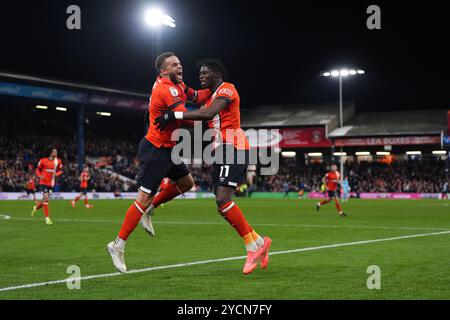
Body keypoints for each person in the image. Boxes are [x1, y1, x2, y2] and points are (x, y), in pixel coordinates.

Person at [154, 58, 272, 275]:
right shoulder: (208, 101)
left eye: (204, 72)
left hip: (234, 147)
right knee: (221, 204)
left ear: (217, 75)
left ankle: (251, 247)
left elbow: (206, 115)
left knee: (223, 199)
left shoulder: (227, 89)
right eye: (199, 73)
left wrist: (173, 114)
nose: (200, 76)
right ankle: (259, 242)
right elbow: (196, 111)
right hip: (221, 151)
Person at [106, 52, 211, 273]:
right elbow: (186, 118)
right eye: (174, 65)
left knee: (186, 183)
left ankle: (150, 211)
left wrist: (217, 89)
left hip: (168, 149)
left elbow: (196, 95)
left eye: (180, 63)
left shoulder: (177, 84)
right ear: (163, 71)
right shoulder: (167, 88)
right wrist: (210, 115)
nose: (180, 67)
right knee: (143, 198)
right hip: (155, 150)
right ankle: (117, 245)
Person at [31, 148, 63, 225]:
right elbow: (37, 170)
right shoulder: (43, 160)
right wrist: (39, 176)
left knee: (45, 200)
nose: (56, 153)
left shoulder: (58, 161)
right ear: (50, 153)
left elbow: (61, 170)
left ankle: (36, 207)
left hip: (51, 183)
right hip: (43, 182)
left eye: (56, 151)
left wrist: (57, 174)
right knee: (46, 198)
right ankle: (47, 218)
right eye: (55, 151)